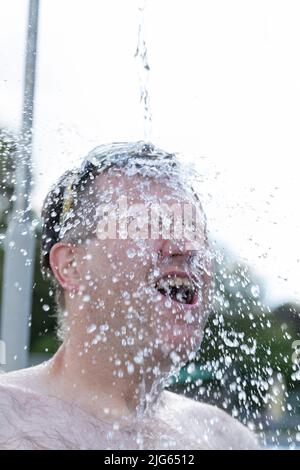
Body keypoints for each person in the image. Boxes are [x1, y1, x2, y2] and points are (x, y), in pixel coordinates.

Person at [0, 141, 258, 449]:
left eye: (193, 230)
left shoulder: (225, 438)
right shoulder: (9, 422)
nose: (186, 248)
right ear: (71, 266)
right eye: (147, 224)